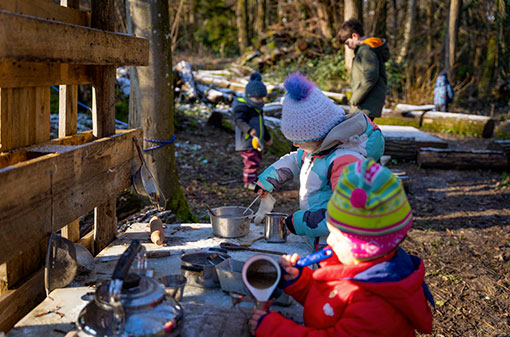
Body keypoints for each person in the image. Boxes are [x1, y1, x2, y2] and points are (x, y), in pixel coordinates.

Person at [250, 159, 435, 336]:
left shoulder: (373, 306)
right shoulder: (355, 266)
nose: (330, 241)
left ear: (363, 247)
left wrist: (273, 329)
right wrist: (300, 282)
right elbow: (330, 303)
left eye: (337, 237)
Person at [255, 73, 384, 249]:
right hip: (318, 238)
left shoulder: (346, 162)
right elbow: (294, 160)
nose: (295, 144)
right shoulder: (318, 149)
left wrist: (300, 222)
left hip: (337, 246)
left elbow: (347, 213)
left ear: (319, 136)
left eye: (299, 140)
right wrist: (268, 180)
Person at [338, 18, 390, 120]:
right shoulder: (367, 49)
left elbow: (370, 77)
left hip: (365, 104)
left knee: (357, 133)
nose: (348, 47)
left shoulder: (366, 51)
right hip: (365, 103)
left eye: (348, 43)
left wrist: (355, 99)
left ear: (354, 36)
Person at [233, 72, 272, 190]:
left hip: (256, 142)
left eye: (262, 98)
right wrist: (249, 130)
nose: (260, 101)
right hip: (247, 141)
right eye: (257, 98)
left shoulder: (257, 108)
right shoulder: (243, 107)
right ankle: (249, 182)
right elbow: (239, 121)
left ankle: (253, 178)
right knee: (251, 161)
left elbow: (262, 124)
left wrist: (267, 137)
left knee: (257, 159)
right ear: (249, 96)